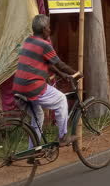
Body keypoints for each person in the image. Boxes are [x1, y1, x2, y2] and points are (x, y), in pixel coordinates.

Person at [12, 15, 81, 148]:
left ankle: (33, 151)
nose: (50, 30)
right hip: (32, 88)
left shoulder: (28, 41)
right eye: (49, 27)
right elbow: (59, 63)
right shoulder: (44, 45)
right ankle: (62, 137)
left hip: (18, 88)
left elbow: (48, 64)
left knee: (38, 116)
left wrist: (62, 75)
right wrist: (75, 73)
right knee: (61, 99)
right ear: (44, 29)